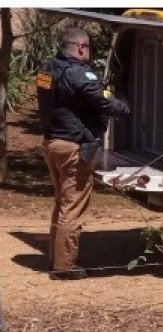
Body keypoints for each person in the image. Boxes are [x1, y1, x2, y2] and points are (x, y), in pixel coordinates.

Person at [36, 27, 130, 280]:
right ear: (80, 47)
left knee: (62, 203)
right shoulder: (79, 73)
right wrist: (123, 106)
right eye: (88, 47)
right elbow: (104, 101)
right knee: (73, 205)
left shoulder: (47, 69)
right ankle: (65, 267)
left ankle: (56, 259)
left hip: (52, 143)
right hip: (73, 147)